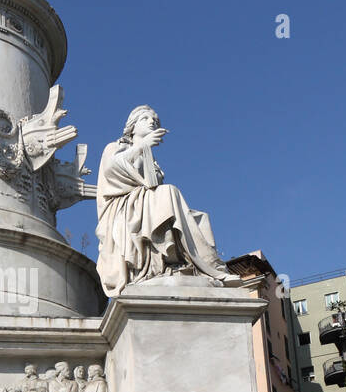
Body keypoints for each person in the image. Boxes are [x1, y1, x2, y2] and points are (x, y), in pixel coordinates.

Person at [95, 106, 240, 295]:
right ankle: (206, 267)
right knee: (170, 193)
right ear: (132, 126)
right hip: (122, 208)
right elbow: (111, 171)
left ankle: (200, 266)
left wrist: (145, 151)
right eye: (145, 118)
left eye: (155, 119)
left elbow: (151, 187)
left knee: (199, 218)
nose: (152, 121)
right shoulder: (115, 147)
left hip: (144, 204)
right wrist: (142, 146)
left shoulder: (151, 159)